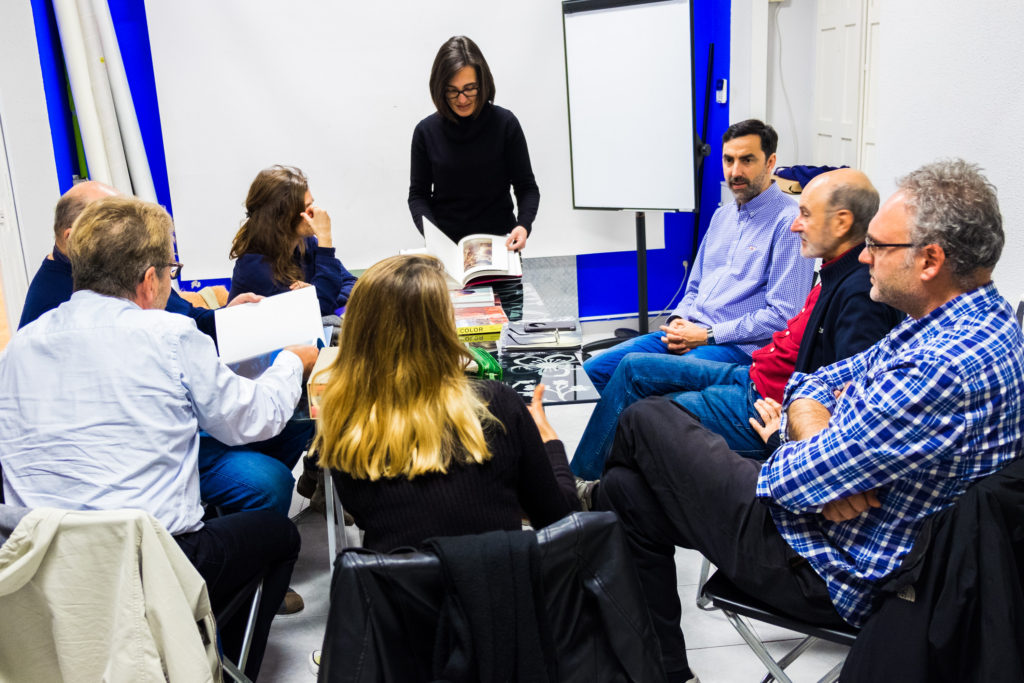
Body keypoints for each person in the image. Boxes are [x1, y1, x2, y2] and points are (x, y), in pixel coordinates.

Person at [598, 159, 1024, 683]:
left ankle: (570, 513)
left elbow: (790, 482)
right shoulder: (974, 321)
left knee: (645, 419)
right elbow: (814, 382)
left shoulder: (937, 366)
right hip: (844, 531)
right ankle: (664, 673)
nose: (866, 256)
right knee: (626, 492)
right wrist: (819, 434)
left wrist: (799, 445)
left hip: (832, 569)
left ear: (930, 259)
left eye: (879, 246)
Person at [0, 196, 320, 680]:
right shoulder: (169, 335)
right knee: (278, 534)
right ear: (150, 280)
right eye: (171, 269)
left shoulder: (18, 347)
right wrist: (293, 362)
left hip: (37, 567)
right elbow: (253, 420)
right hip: (150, 563)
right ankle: (212, 663)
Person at [570, 169, 903, 478]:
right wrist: (680, 321)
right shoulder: (831, 272)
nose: (795, 225)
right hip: (752, 376)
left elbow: (848, 402)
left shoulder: (860, 296)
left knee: (645, 415)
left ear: (842, 222)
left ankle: (587, 494)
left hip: (764, 400)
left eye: (806, 215)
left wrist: (784, 432)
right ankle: (578, 485)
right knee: (631, 367)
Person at [13, 180, 313, 524]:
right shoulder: (63, 304)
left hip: (132, 458)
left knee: (288, 427)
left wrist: (227, 316)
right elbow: (247, 414)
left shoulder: (36, 335)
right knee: (268, 482)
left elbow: (187, 321)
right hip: (135, 455)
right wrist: (292, 361)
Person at [312, 254, 577, 552]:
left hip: (399, 592)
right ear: (442, 327)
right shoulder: (495, 405)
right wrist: (550, 444)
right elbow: (559, 521)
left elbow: (367, 518)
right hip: (504, 589)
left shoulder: (341, 418)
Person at [582, 119, 815, 396]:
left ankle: (636, 435)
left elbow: (782, 316)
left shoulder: (789, 223)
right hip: (690, 331)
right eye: (728, 160)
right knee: (593, 372)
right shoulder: (723, 215)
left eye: (747, 160)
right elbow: (695, 286)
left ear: (770, 162)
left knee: (645, 380)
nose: (735, 171)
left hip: (736, 347)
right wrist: (679, 319)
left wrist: (708, 335)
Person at [408, 35, 539, 251]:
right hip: (448, 249)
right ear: (440, 88)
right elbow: (418, 196)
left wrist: (523, 225)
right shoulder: (425, 131)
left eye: (470, 88)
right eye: (452, 90)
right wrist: (435, 238)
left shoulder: (506, 124)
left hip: (500, 247)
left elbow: (526, 188)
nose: (462, 99)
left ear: (483, 83)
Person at [229, 165, 357, 316]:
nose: (314, 213)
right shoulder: (255, 265)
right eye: (307, 207)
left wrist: (315, 294)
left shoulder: (306, 242)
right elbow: (318, 312)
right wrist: (325, 239)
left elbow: (352, 283)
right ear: (284, 218)